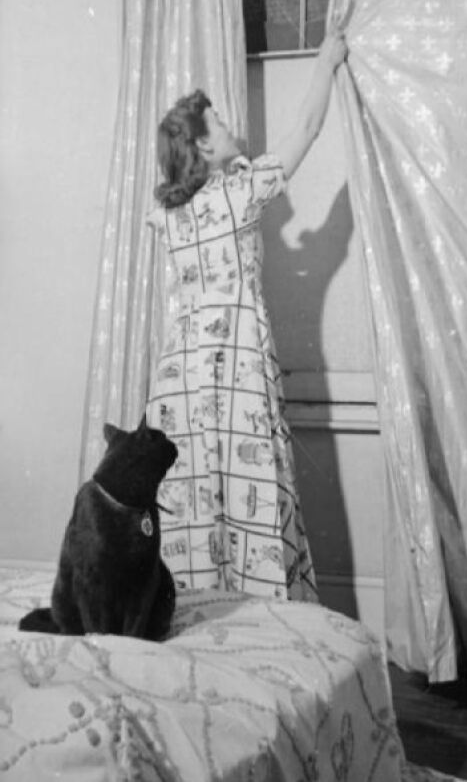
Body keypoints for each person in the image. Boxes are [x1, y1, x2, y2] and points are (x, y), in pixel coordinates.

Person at [146, 33, 348, 599]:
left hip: (180, 381)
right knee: (251, 493)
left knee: (192, 507)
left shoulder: (169, 214)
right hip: (236, 374)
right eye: (217, 120)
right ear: (205, 147)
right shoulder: (238, 194)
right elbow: (306, 129)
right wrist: (326, 63)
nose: (229, 123)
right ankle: (265, 628)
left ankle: (196, 626)